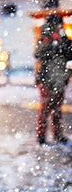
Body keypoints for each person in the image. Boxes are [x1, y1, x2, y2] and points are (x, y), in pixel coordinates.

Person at [34, 14, 72, 145]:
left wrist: (63, 43)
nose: (59, 27)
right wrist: (53, 44)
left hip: (60, 79)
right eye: (58, 25)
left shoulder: (63, 37)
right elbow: (38, 54)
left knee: (57, 109)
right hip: (46, 79)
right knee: (45, 108)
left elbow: (69, 53)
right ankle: (41, 136)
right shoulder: (45, 37)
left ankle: (58, 134)